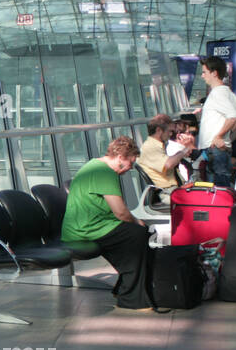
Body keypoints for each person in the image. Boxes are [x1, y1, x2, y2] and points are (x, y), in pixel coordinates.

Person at [62, 136, 165, 312]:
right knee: (138, 235)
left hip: (89, 225)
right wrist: (136, 222)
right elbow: (120, 212)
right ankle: (130, 298)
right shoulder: (105, 172)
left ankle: (126, 289)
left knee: (137, 235)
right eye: (130, 163)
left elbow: (118, 212)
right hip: (88, 229)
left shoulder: (95, 166)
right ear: (120, 156)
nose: (130, 168)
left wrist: (134, 221)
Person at [193, 56, 236, 188]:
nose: (202, 75)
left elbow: (233, 116)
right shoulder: (227, 92)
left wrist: (219, 136)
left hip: (215, 149)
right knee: (222, 187)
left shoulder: (218, 93)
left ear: (214, 73)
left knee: (218, 189)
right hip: (219, 149)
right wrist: (230, 138)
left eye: (204, 72)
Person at [137, 114, 194, 199]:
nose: (171, 134)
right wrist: (185, 150)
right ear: (159, 130)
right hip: (166, 192)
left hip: (172, 189)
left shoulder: (157, 146)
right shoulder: (150, 147)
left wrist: (180, 153)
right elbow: (168, 164)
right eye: (169, 131)